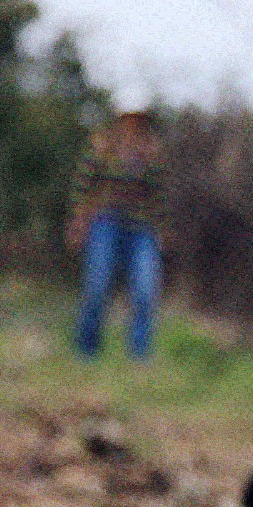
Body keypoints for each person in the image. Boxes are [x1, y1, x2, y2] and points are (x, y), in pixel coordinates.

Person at [69, 111, 165, 361]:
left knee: (145, 289)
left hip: (142, 226)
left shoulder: (153, 150)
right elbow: (83, 185)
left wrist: (162, 228)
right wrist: (79, 222)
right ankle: (87, 351)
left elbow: (160, 194)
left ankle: (140, 355)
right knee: (97, 284)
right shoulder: (102, 145)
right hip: (105, 222)